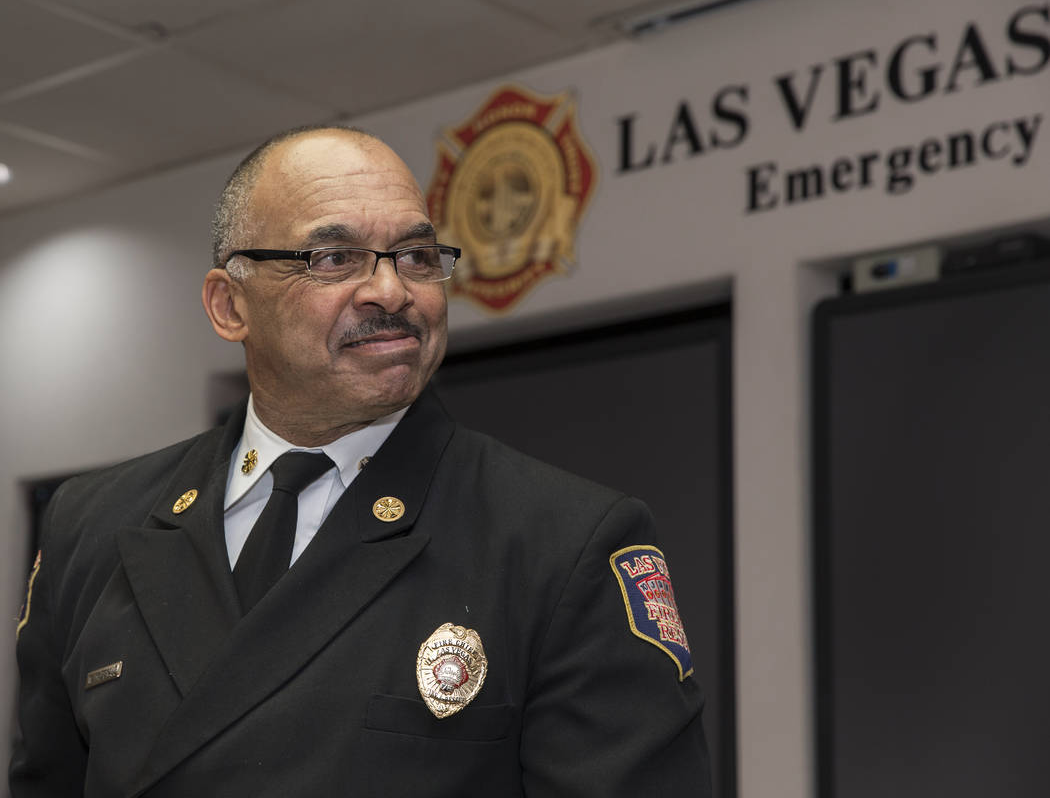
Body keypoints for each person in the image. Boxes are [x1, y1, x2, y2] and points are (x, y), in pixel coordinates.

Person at [10, 126, 712, 796]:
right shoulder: (93, 526)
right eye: (334, 258)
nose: (391, 291)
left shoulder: (563, 542)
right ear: (230, 306)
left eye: (415, 255)